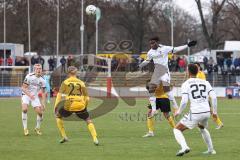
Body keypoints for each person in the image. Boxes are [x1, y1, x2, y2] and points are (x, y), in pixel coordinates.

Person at [139, 36, 197, 117]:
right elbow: (148, 60)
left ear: (157, 42)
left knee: (167, 91)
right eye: (150, 44)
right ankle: (154, 110)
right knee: (151, 89)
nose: (151, 45)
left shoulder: (164, 48)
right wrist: (141, 65)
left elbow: (176, 49)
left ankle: (176, 108)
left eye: (153, 43)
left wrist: (187, 45)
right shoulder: (150, 52)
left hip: (165, 72)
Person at [173, 64, 217, 156]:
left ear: (188, 72)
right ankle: (211, 150)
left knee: (177, 129)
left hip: (196, 112)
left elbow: (184, 101)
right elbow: (213, 97)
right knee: (202, 128)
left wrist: (179, 111)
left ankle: (184, 147)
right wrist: (215, 112)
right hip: (206, 112)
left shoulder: (185, 84)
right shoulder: (205, 82)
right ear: (197, 71)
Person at [54, 66, 99, 145]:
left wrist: (56, 107)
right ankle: (95, 138)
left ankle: (64, 136)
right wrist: (85, 106)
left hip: (69, 105)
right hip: (80, 105)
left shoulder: (65, 82)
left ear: (68, 73)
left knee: (58, 116)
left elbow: (59, 96)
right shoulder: (81, 82)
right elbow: (87, 98)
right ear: (76, 72)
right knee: (88, 120)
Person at [195, 62, 224, 129]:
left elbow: (202, 85)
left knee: (207, 111)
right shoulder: (198, 74)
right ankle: (218, 123)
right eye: (195, 66)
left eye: (197, 66)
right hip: (201, 96)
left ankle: (217, 123)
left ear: (199, 67)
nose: (196, 67)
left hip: (203, 96)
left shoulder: (200, 74)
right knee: (208, 111)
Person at [21, 64, 46, 136]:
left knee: (40, 113)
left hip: (35, 97)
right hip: (26, 94)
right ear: (34, 70)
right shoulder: (29, 76)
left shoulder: (43, 80)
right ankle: (25, 129)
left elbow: (43, 92)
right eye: (37, 69)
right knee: (24, 109)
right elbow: (23, 88)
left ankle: (37, 128)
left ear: (41, 70)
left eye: (40, 68)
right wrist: (29, 95)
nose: (39, 70)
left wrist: (43, 103)